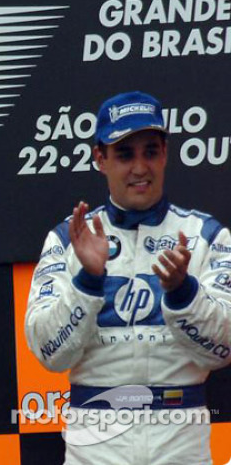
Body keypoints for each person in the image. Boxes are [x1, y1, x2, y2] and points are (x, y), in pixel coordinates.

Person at [25, 91, 231, 464]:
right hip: (97, 442)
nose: (140, 168)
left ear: (166, 154)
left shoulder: (206, 236)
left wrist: (183, 293)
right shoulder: (68, 239)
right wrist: (88, 281)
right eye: (124, 154)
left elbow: (224, 349)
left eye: (150, 152)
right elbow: (48, 354)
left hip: (179, 440)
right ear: (100, 158)